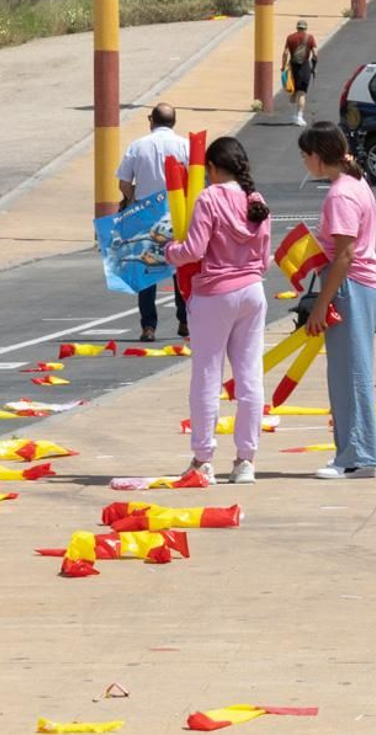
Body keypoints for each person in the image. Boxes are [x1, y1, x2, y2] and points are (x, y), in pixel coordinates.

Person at [164, 137, 272, 486]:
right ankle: (245, 460)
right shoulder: (256, 200)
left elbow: (193, 249)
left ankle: (203, 458)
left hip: (214, 294)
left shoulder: (209, 198)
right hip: (253, 292)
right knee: (250, 376)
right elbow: (265, 260)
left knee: (207, 377)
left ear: (211, 168)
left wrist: (169, 251)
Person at [299, 122, 376, 479]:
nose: (305, 163)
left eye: (306, 156)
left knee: (349, 373)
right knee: (351, 371)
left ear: (318, 157)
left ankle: (357, 455)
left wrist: (321, 303)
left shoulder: (340, 194)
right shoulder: (355, 183)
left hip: (350, 284)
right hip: (359, 284)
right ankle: (354, 452)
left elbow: (345, 254)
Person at [117, 102, 191, 341]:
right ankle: (184, 321)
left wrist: (134, 199)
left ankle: (148, 326)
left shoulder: (137, 146)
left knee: (147, 270)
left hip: (146, 215)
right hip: (177, 215)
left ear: (151, 120)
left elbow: (124, 183)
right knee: (180, 269)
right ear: (174, 122)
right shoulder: (184, 146)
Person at [284, 21, 319, 126]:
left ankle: (293, 114)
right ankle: (299, 116)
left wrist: (283, 66)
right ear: (305, 28)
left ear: (297, 27)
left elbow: (285, 53)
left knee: (294, 91)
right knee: (302, 93)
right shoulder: (310, 38)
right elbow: (315, 54)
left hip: (292, 66)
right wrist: (314, 68)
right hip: (304, 67)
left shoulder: (290, 37)